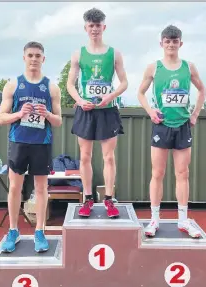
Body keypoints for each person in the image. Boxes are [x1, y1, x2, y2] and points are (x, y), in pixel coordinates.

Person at [137, 25, 206, 238]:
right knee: (157, 173)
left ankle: (183, 220)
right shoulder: (153, 68)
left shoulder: (189, 67)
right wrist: (150, 111)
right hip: (162, 125)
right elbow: (140, 93)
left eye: (175, 41)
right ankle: (154, 219)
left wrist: (194, 115)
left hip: (183, 125)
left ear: (180, 44)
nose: (171, 44)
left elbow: (202, 90)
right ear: (161, 43)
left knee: (182, 173)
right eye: (167, 41)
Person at [0, 41, 62, 252]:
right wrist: (19, 113)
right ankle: (14, 230)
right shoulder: (13, 85)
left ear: (43, 59)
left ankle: (40, 231)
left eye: (38, 55)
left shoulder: (52, 87)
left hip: (41, 143)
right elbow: (1, 118)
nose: (34, 59)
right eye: (30, 55)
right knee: (15, 187)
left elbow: (58, 121)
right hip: (19, 142)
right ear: (24, 58)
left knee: (41, 188)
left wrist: (48, 114)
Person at [67, 8, 128, 218]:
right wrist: (80, 100)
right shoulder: (78, 54)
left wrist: (109, 97)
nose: (94, 29)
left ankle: (109, 199)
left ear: (104, 27)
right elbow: (70, 84)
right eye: (91, 25)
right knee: (85, 157)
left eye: (98, 25)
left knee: (108, 157)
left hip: (107, 110)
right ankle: (87, 199)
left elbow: (124, 82)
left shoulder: (114, 53)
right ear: (86, 28)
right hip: (86, 111)